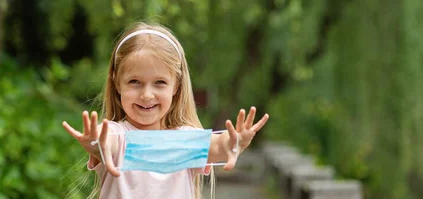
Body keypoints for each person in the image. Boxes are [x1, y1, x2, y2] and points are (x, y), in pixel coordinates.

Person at [62, 22, 269, 199]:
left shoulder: (185, 140)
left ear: (176, 86)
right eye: (135, 82)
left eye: (159, 83)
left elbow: (218, 146)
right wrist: (96, 142)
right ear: (117, 82)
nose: (147, 95)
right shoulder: (119, 135)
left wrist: (236, 142)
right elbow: (106, 142)